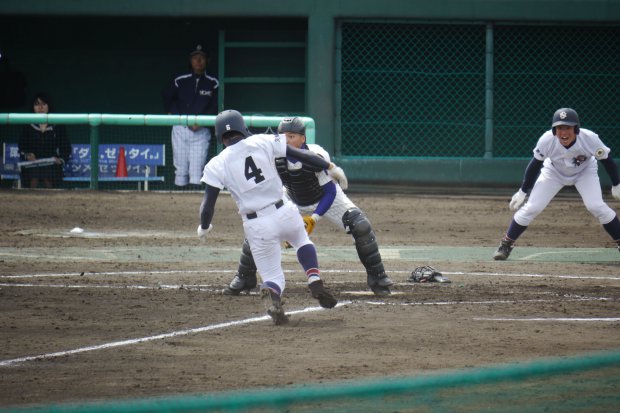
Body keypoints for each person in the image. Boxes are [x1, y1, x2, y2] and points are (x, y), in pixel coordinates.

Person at [198, 110, 348, 325]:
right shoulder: (261, 140)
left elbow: (208, 204)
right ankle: (314, 280)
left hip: (256, 223)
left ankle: (274, 296)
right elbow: (299, 154)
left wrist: (204, 226)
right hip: (284, 210)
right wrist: (329, 166)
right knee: (301, 241)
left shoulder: (216, 163)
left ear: (220, 135)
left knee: (272, 275)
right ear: (242, 128)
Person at [224, 117, 394, 297]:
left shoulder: (317, 154)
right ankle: (245, 277)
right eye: (282, 136)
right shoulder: (272, 153)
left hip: (326, 199)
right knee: (260, 224)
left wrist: (313, 219)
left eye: (291, 136)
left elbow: (329, 192)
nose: (286, 140)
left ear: (303, 139)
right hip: (291, 198)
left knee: (360, 225)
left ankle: (378, 277)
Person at [493, 107, 620, 260]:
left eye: (568, 127)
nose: (563, 132)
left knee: (596, 206)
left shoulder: (589, 138)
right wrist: (522, 191)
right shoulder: (547, 140)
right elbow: (534, 165)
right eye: (559, 128)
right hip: (553, 172)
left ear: (576, 128)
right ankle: (506, 244)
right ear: (554, 130)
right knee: (532, 207)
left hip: (584, 172)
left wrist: (616, 184)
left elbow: (607, 161)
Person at [162, 45, 219, 188]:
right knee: (180, 168)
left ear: (207, 60)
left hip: (202, 129)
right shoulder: (180, 79)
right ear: (190, 60)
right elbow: (168, 98)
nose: (198, 61)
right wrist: (176, 115)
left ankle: (192, 205)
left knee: (197, 169)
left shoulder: (213, 82)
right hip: (181, 127)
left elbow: (216, 106)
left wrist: (201, 121)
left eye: (202, 57)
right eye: (195, 57)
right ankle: (177, 205)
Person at [18, 92, 71, 188]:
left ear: (49, 106)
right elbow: (22, 147)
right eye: (37, 104)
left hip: (51, 164)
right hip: (32, 164)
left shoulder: (58, 125)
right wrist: (28, 155)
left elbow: (66, 147)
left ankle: (51, 201)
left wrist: (60, 160)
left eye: (43, 104)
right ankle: (30, 200)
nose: (40, 107)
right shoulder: (27, 125)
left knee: (47, 174)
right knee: (34, 175)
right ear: (33, 107)